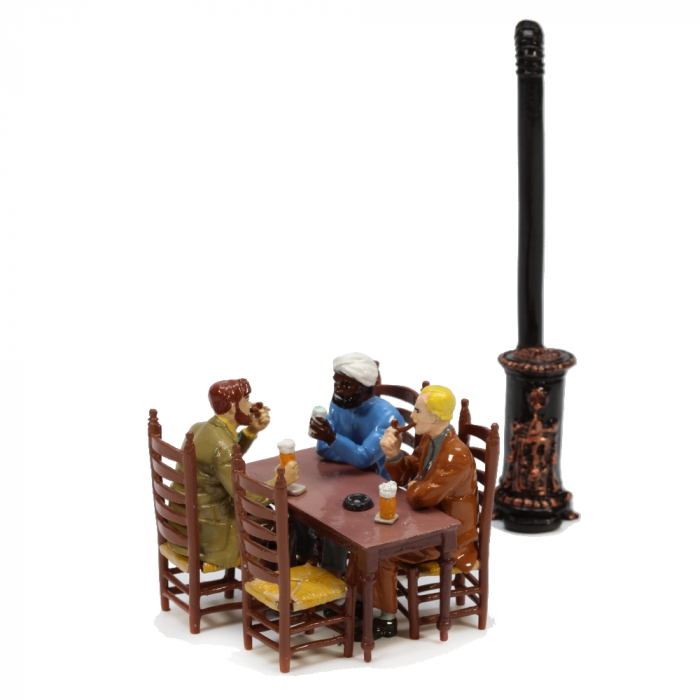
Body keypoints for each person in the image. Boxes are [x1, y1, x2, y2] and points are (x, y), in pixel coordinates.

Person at [372, 384, 478, 638]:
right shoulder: (431, 440)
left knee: (381, 553)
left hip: (449, 537)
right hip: (427, 523)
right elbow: (409, 476)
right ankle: (361, 601)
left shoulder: (455, 456)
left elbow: (421, 497)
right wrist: (394, 455)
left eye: (417, 411)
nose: (412, 416)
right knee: (368, 542)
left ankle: (387, 618)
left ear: (435, 416)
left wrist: (415, 487)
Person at [167, 378, 299, 570]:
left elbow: (228, 456)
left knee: (271, 510)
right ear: (231, 407)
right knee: (283, 526)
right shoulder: (223, 448)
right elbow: (246, 496)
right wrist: (282, 481)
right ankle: (278, 584)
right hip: (207, 532)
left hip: (182, 523)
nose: (251, 405)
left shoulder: (199, 428)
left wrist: (251, 430)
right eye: (246, 399)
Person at [310, 352, 405, 481]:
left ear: (365, 388)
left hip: (379, 482)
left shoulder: (389, 418)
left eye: (346, 385)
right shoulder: (338, 405)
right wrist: (356, 459)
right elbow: (322, 448)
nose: (337, 389)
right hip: (345, 476)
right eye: (336, 382)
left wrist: (331, 438)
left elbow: (364, 457)